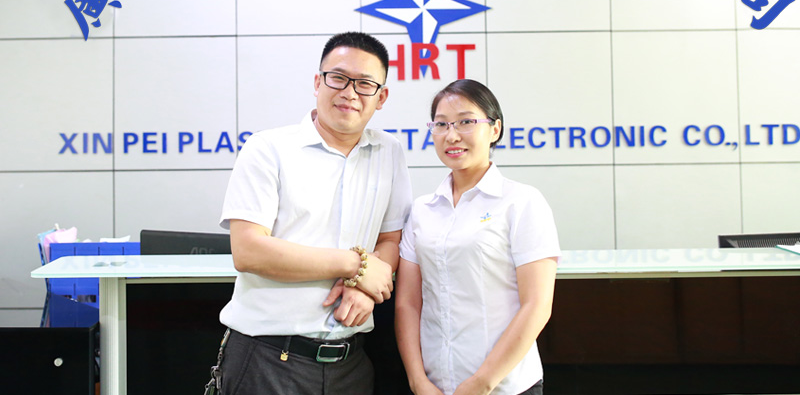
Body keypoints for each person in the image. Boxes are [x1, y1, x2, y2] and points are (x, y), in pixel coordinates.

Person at [211, 32, 412, 395]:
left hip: (350, 365)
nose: (350, 92)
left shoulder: (389, 152)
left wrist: (365, 291)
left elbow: (390, 239)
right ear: (318, 82)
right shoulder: (268, 148)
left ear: (381, 97)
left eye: (365, 84)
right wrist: (356, 267)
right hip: (268, 359)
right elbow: (248, 251)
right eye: (338, 78)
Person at [395, 79, 560, 395]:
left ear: (495, 129)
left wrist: (481, 382)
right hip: (435, 386)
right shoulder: (422, 211)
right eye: (441, 124)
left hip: (505, 386)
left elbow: (537, 304)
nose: (452, 135)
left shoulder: (522, 202)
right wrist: (418, 381)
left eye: (466, 122)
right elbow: (408, 304)